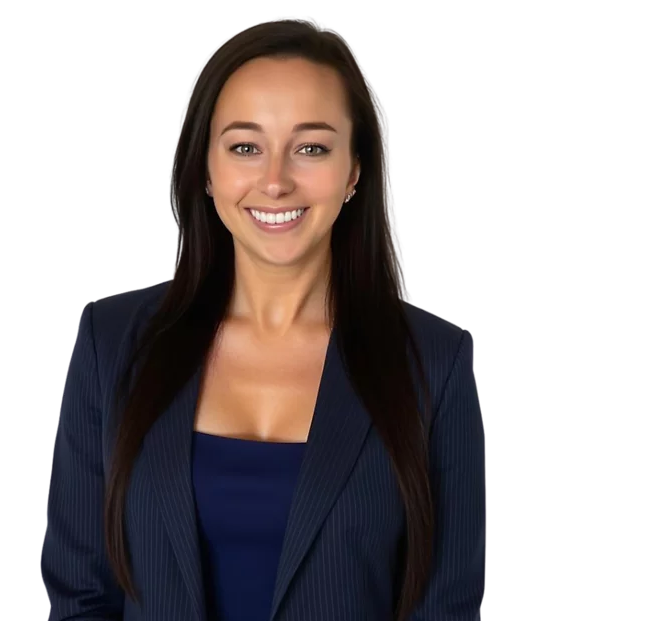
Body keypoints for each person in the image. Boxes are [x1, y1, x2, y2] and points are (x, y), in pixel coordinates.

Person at [41, 17, 486, 621]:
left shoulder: (434, 361)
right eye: (245, 146)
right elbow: (79, 595)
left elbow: (446, 608)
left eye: (312, 147)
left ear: (354, 171)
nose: (275, 181)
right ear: (205, 166)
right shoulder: (111, 343)